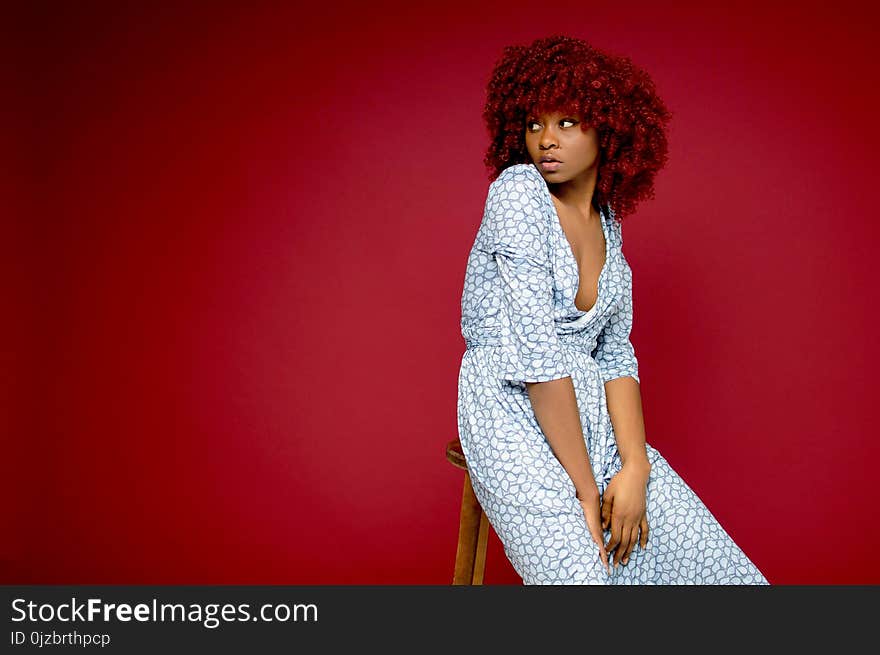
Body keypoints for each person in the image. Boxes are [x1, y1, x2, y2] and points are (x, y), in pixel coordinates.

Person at [456, 34, 769, 584]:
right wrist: (585, 493)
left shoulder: (609, 223)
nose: (545, 141)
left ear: (610, 127)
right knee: (583, 579)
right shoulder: (519, 192)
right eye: (534, 125)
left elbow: (616, 357)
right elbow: (538, 357)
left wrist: (634, 468)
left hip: (590, 420)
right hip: (511, 411)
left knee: (720, 573)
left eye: (567, 123)